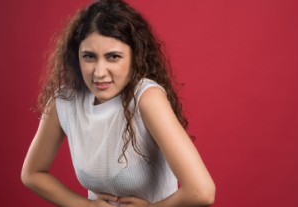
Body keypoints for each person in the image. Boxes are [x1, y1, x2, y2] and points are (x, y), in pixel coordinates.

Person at [21, 0, 215, 206]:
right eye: (89, 57)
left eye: (113, 57)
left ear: (135, 57)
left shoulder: (146, 99)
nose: (99, 72)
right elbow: (32, 174)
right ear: (75, 56)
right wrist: (86, 205)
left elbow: (202, 191)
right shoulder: (65, 101)